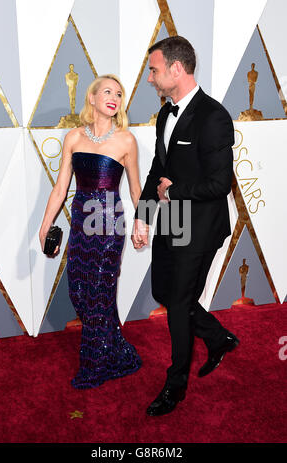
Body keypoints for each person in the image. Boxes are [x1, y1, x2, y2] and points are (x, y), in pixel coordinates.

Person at [132, 36, 239, 416]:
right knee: (166, 291)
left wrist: (174, 191)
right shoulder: (165, 114)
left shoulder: (213, 117)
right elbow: (156, 172)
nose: (149, 78)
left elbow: (218, 184)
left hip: (202, 224)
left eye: (154, 70)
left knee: (178, 303)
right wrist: (143, 215)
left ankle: (175, 386)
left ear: (176, 69)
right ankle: (218, 337)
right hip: (173, 219)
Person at [40, 74, 142, 389]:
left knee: (99, 291)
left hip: (110, 224)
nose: (114, 97)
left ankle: (96, 365)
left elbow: (137, 190)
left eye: (120, 94)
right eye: (108, 91)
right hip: (82, 223)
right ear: (92, 98)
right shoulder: (73, 137)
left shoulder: (126, 139)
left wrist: (142, 221)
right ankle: (117, 351)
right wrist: (45, 227)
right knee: (79, 292)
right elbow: (60, 189)